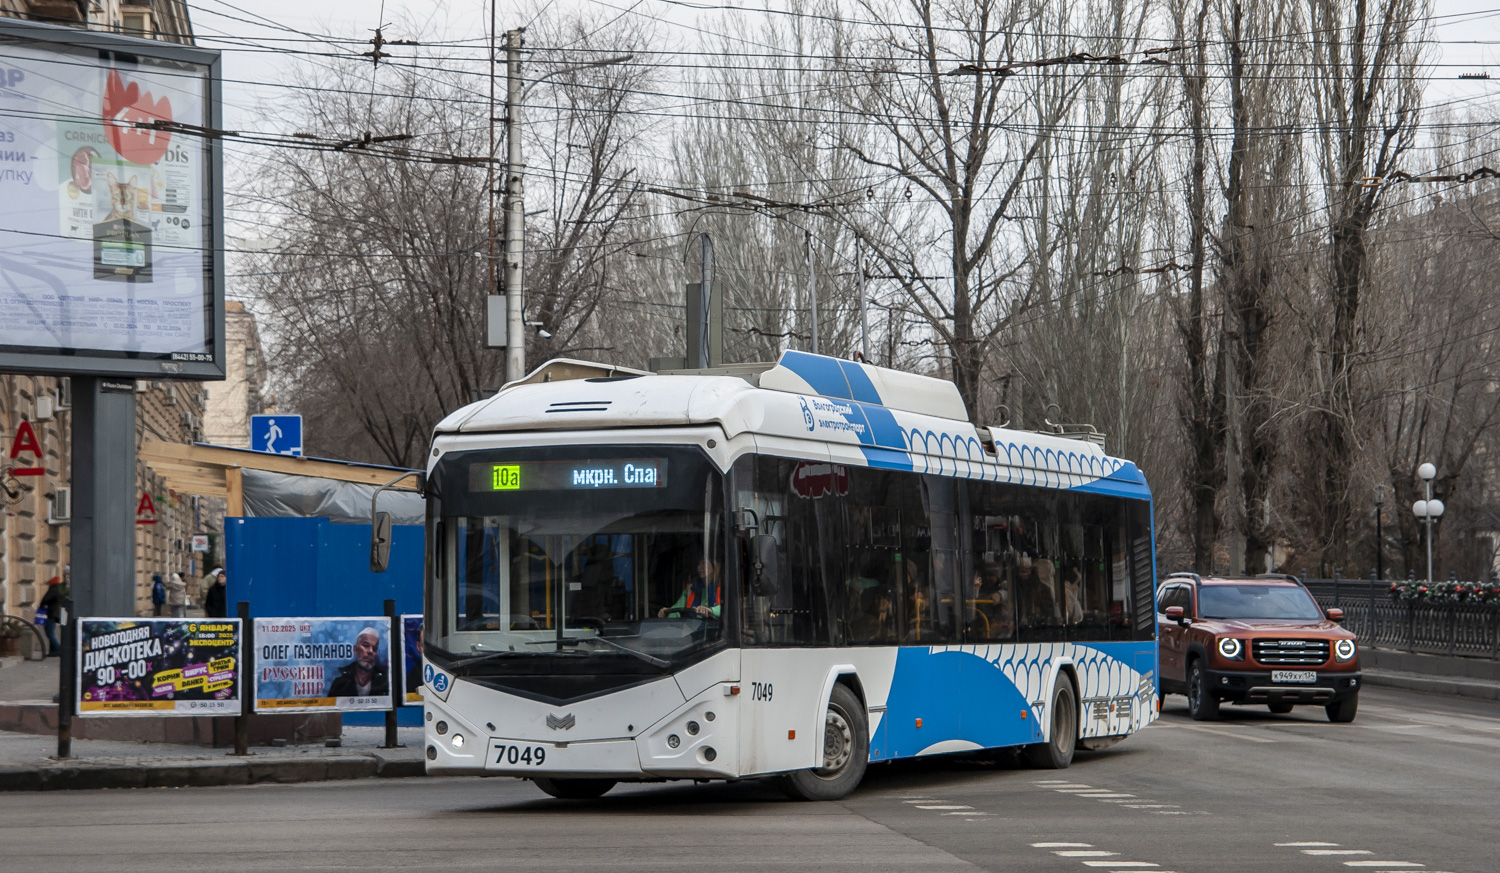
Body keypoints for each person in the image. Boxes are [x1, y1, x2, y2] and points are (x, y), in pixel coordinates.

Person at [328, 627, 390, 698]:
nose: (370, 651)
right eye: (366, 645)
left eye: (374, 649)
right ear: (355, 649)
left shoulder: (384, 682)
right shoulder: (340, 683)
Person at [659, 554, 722, 619]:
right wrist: (667, 612)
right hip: (694, 627)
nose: (699, 567)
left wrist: (711, 610)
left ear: (716, 566)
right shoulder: (691, 588)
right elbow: (677, 608)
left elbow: (728, 609)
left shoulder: (724, 588)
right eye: (698, 564)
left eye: (704, 563)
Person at [39, 576, 63, 656]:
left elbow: (45, 600)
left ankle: (58, 650)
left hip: (51, 614)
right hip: (57, 615)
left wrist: (42, 605)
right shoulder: (59, 590)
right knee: (51, 632)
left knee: (49, 633)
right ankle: (53, 652)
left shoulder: (52, 590)